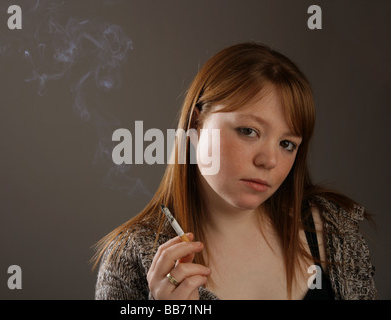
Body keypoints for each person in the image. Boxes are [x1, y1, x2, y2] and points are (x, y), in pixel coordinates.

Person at [92, 42, 377, 300]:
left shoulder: (333, 229)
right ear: (196, 126)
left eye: (287, 144)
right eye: (248, 131)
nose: (269, 160)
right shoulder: (131, 257)